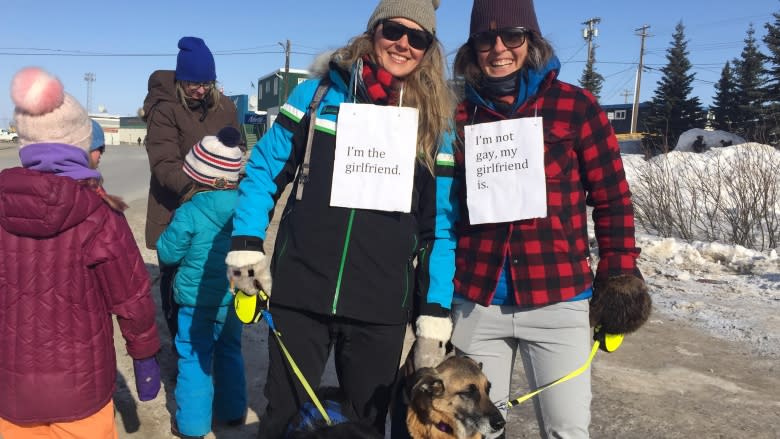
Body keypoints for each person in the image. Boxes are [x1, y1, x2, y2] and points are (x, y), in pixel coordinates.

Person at [414, 1, 653, 438]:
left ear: (532, 41)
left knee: (567, 431)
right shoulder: (457, 115)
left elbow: (613, 200)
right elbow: (443, 210)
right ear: (473, 49)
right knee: (476, 434)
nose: (499, 48)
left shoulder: (576, 107)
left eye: (513, 36)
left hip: (558, 298)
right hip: (479, 300)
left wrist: (618, 276)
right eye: (486, 39)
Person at [225, 0, 456, 437]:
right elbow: (263, 172)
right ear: (373, 31)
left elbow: (439, 229)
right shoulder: (315, 97)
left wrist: (434, 313)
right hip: (300, 295)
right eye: (393, 31)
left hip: (380, 308)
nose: (403, 44)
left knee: (367, 426)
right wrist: (247, 245)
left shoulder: (436, 125)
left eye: (418, 37)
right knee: (282, 419)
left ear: (428, 49)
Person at [0, 67, 161, 439]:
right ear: (79, 145)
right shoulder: (100, 214)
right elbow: (132, 297)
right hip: (81, 392)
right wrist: (145, 356)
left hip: (11, 393)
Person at [142, 36, 240, 340]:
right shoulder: (165, 109)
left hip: (219, 207)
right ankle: (181, 345)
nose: (200, 89)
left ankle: (212, 340)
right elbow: (163, 163)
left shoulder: (224, 107)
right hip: (176, 207)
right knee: (176, 283)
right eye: (192, 84)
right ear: (180, 80)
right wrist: (197, 192)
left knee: (213, 275)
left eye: (206, 82)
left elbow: (237, 146)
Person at [156, 127, 247, 439]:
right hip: (234, 295)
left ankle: (193, 426)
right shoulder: (245, 209)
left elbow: (167, 253)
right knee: (230, 351)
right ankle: (233, 412)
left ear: (200, 176)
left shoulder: (189, 212)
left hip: (195, 303)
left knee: (194, 359)